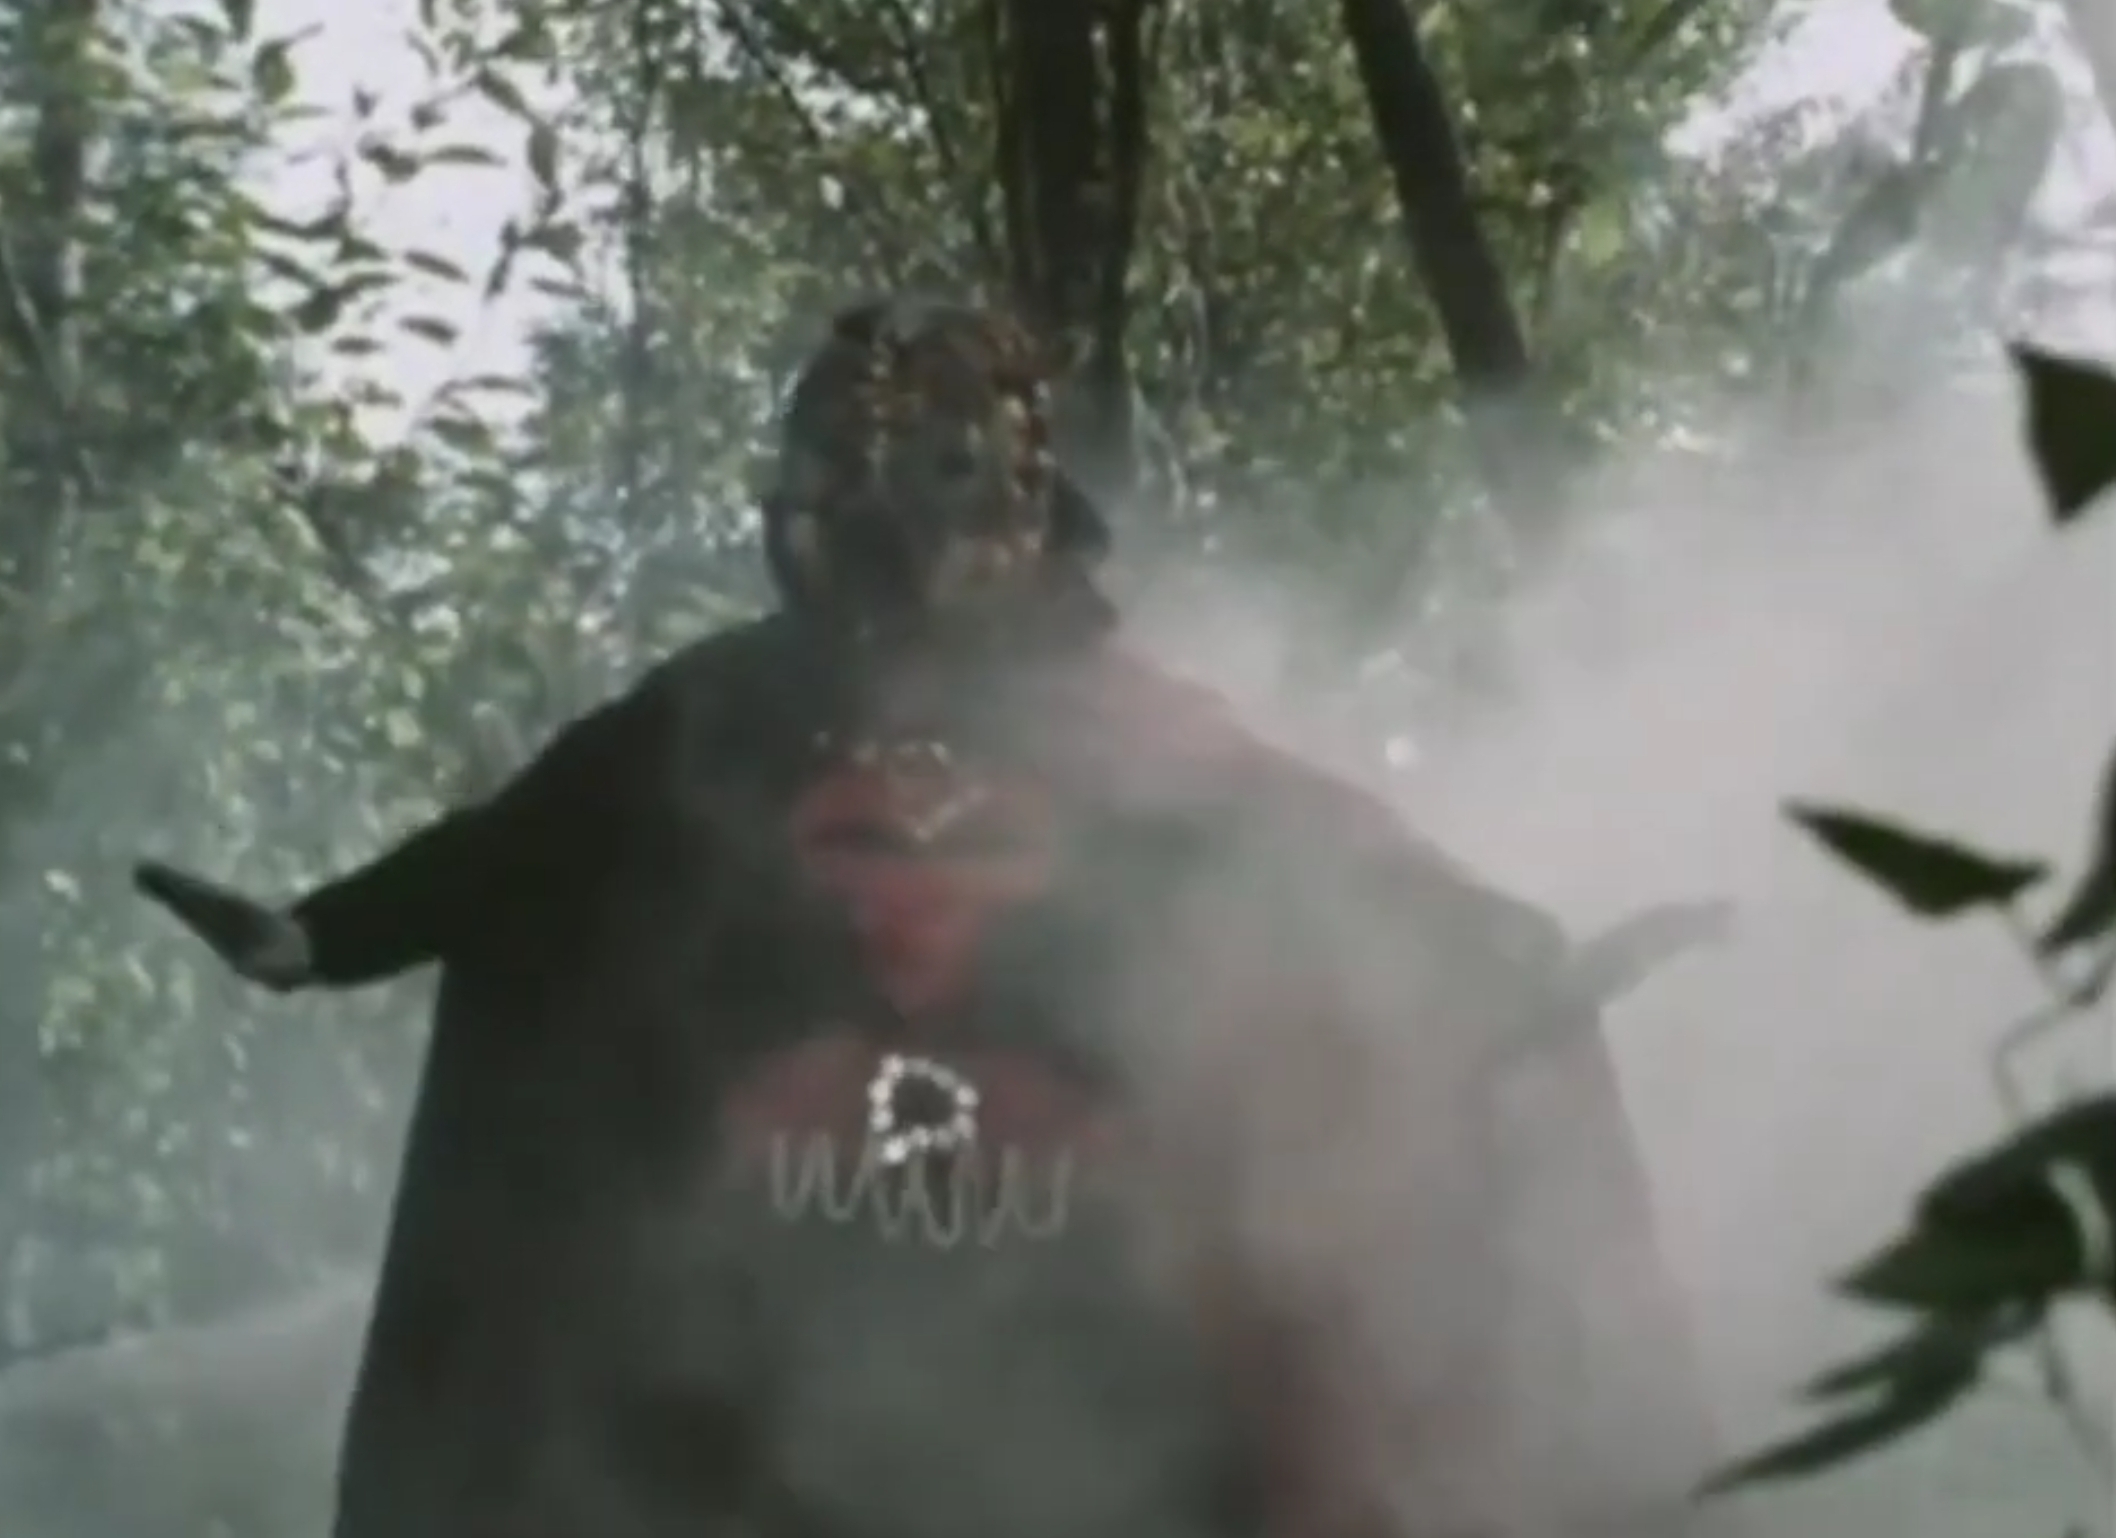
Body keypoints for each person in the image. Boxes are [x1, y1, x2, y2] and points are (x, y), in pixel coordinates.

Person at [136, 295, 1688, 1538]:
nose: (884, 534)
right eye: (854, 483)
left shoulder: (1120, 724)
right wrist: (319, 934)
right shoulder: (720, 710)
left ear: (1015, 502)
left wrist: (1498, 961)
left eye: (932, 484)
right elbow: (526, 847)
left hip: (1080, 1326)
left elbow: (1315, 855)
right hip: (774, 1315)